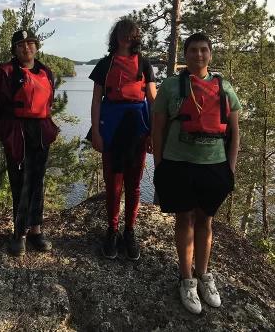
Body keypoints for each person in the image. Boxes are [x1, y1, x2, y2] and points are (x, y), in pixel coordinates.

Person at [152, 32, 241, 314]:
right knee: (184, 220)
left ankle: (204, 276)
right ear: (185, 55)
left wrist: (230, 169)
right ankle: (186, 278)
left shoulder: (224, 87)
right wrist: (159, 165)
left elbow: (235, 132)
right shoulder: (169, 86)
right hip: (178, 163)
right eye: (192, 50)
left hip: (214, 165)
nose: (198, 55)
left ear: (210, 55)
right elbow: (158, 130)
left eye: (203, 50)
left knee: (206, 221)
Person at [88, 18, 156, 261]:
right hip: (112, 128)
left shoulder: (145, 65)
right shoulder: (105, 65)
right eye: (121, 33)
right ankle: (112, 231)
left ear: (136, 37)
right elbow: (96, 101)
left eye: (130, 34)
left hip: (137, 128)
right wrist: (96, 132)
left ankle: (130, 231)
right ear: (115, 36)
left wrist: (153, 134)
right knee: (113, 184)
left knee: (134, 184)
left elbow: (152, 101)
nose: (125, 38)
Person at [0, 30, 59, 256]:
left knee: (37, 181)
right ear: (15, 49)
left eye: (30, 43)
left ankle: (36, 231)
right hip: (17, 132)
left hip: (40, 132)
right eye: (20, 44)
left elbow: (50, 101)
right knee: (19, 182)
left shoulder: (45, 71)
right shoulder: (6, 72)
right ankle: (20, 234)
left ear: (36, 47)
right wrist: (4, 134)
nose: (26, 48)